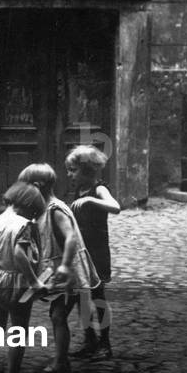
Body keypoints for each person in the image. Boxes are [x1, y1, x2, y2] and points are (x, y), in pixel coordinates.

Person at [18, 163, 99, 373]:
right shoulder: (42, 207)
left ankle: (61, 362)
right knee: (58, 313)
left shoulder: (55, 209)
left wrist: (64, 265)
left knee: (58, 314)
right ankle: (85, 342)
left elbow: (71, 236)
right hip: (56, 269)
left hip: (68, 270)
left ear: (37, 186)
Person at [0, 182, 48, 373]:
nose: (34, 217)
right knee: (19, 329)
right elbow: (20, 254)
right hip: (16, 282)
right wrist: (34, 281)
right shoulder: (23, 225)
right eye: (34, 212)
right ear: (27, 205)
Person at [66, 145, 121, 360]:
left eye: (73, 170)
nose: (69, 175)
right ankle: (89, 339)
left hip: (95, 251)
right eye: (69, 170)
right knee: (81, 296)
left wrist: (91, 200)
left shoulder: (98, 189)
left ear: (87, 170)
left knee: (98, 296)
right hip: (79, 251)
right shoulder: (74, 191)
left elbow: (115, 206)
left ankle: (105, 343)